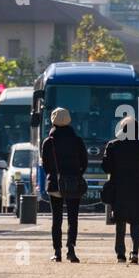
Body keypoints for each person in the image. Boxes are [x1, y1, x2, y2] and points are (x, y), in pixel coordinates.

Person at [101, 115, 139, 264]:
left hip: (119, 189)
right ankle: (135, 253)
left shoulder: (113, 146)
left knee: (120, 221)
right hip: (138, 188)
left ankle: (120, 254)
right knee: (136, 222)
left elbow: (106, 167)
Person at [40, 107, 88, 263]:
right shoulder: (77, 140)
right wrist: (76, 174)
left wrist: (53, 175)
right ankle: (71, 249)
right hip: (74, 183)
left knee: (57, 219)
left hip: (55, 184)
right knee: (73, 218)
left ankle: (57, 251)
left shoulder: (49, 142)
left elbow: (45, 165)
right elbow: (84, 163)